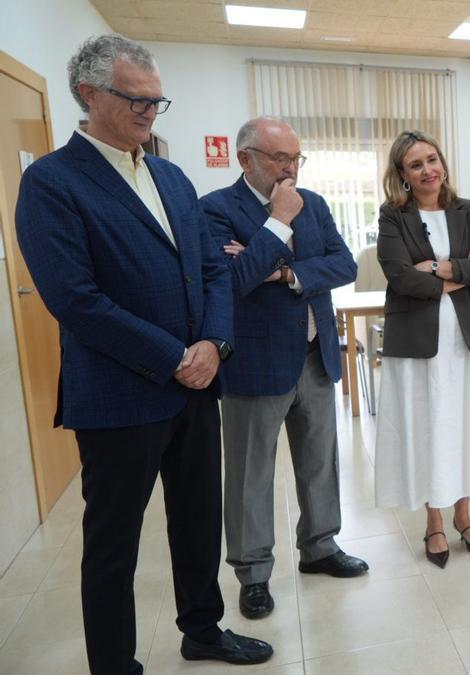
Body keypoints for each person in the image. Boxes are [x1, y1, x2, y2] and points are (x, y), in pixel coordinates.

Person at [13, 35, 271, 672]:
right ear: (89, 94)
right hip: (119, 394)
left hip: (195, 385)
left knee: (197, 520)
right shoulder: (51, 182)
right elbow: (75, 299)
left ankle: (203, 631)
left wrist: (213, 344)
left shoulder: (170, 175)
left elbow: (213, 270)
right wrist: (173, 356)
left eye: (158, 102)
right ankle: (114, 663)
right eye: (137, 101)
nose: (150, 114)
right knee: (113, 543)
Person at [200, 116, 368, 619]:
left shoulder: (313, 204)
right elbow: (231, 281)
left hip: (314, 356)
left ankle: (320, 547)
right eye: (280, 159)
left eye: (297, 158)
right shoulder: (214, 211)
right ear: (245, 158)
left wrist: (285, 271)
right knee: (252, 473)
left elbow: (345, 264)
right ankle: (253, 574)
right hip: (254, 364)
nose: (290, 168)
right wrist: (276, 224)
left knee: (319, 460)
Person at [374, 130, 470, 568]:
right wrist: (460, 274)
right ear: (403, 174)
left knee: (465, 422)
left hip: (466, 338)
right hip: (418, 342)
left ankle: (464, 517)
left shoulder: (465, 210)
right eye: (416, 164)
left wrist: (434, 268)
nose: (428, 170)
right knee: (429, 425)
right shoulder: (392, 216)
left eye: (432, 159)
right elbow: (400, 277)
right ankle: (434, 522)